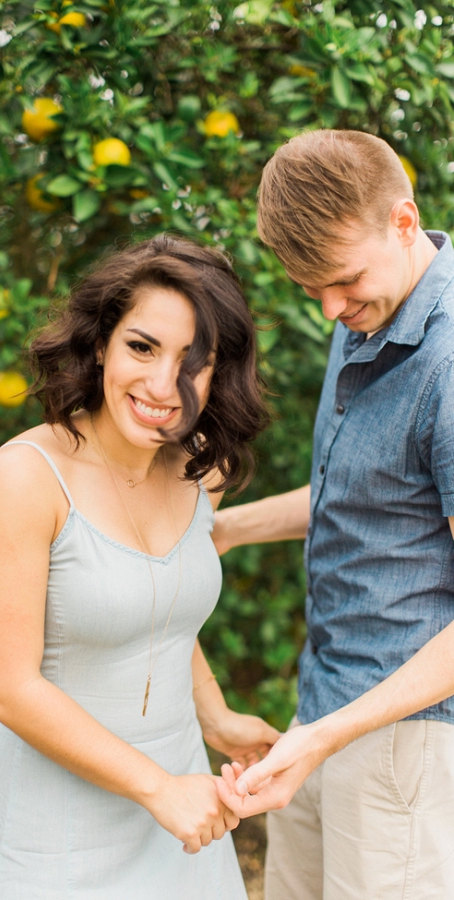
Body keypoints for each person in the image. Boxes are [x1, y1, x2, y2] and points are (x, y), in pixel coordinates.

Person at [0, 233, 279, 900]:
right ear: (102, 341)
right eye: (143, 347)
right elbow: (9, 689)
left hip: (184, 797)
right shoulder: (23, 479)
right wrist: (155, 787)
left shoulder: (202, 469)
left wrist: (216, 718)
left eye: (192, 362)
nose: (163, 385)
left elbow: (157, 608)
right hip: (56, 824)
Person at [214, 129, 454, 900]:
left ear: (405, 221)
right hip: (320, 717)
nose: (329, 309)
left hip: (401, 743)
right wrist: (225, 530)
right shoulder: (369, 310)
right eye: (308, 286)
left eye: (343, 281)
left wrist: (329, 735)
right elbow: (371, 499)